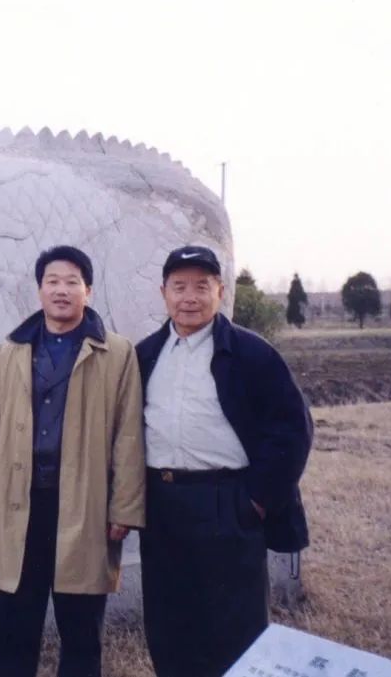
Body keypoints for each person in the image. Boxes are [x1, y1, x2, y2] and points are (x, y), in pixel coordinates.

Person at [136, 245, 313, 677]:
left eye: (202, 286)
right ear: (164, 293)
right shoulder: (145, 354)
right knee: (170, 622)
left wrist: (257, 500)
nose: (190, 297)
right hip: (161, 503)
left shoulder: (252, 354)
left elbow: (292, 430)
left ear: (220, 290)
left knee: (236, 626)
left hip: (228, 503)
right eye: (179, 287)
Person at [0, 245, 146, 677]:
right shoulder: (9, 351)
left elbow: (128, 433)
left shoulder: (117, 353)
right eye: (53, 281)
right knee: (10, 629)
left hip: (84, 507)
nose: (62, 290)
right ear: (39, 291)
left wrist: (123, 506)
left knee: (82, 633)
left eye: (72, 282)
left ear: (88, 290)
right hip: (18, 505)